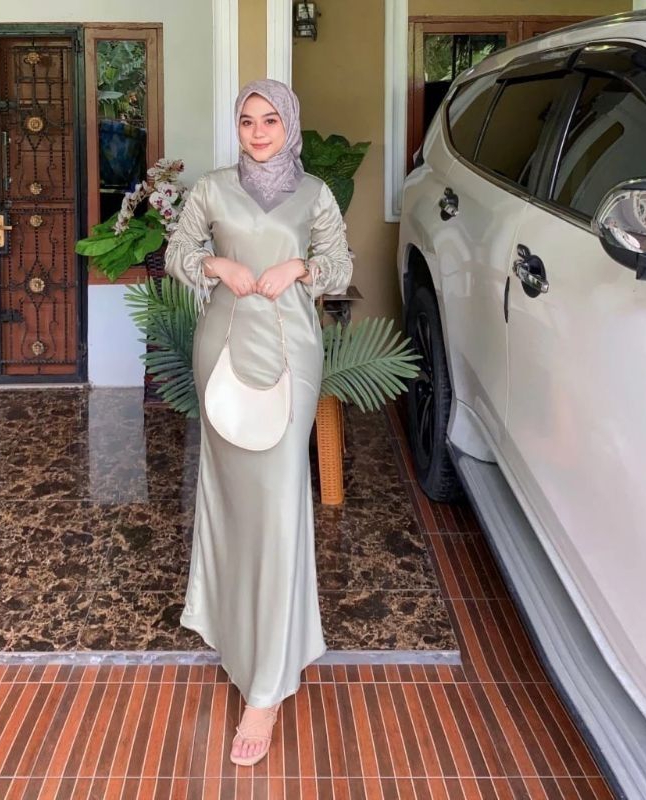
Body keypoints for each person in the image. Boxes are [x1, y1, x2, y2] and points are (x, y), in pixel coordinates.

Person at [164, 78, 353, 767]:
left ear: (289, 124)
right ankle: (235, 632)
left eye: (270, 119)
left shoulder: (316, 194)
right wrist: (213, 262)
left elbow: (340, 266)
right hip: (222, 351)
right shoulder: (212, 190)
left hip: (291, 356)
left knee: (278, 504)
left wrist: (302, 265)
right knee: (233, 499)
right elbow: (177, 254)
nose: (258, 131)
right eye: (247, 120)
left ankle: (267, 688)